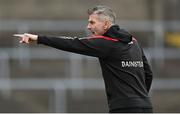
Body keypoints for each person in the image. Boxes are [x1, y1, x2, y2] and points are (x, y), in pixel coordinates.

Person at [14, 5, 153, 113]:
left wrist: (39, 39)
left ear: (105, 24)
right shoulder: (134, 42)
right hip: (146, 106)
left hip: (124, 108)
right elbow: (148, 74)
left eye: (92, 22)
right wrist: (138, 98)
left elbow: (72, 43)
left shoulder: (105, 43)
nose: (88, 26)